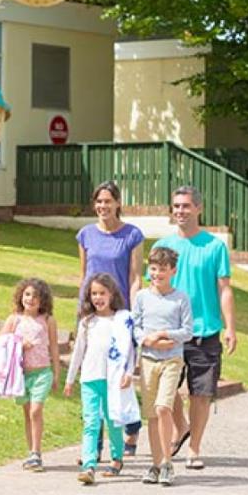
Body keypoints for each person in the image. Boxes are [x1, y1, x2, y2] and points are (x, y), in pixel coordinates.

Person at [153, 185, 237, 470]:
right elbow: (154, 289)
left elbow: (224, 289)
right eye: (176, 206)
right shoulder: (161, 247)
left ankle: (194, 447)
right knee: (164, 389)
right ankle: (181, 425)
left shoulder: (214, 247)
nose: (180, 211)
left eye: (186, 206)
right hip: (169, 333)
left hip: (205, 332)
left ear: (198, 209)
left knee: (200, 393)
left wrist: (230, 328)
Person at [76, 180, 145, 455]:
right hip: (92, 313)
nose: (103, 206)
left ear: (117, 203)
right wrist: (82, 313)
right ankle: (96, 443)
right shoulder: (85, 235)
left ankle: (131, 425)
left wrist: (133, 313)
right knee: (94, 376)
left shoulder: (132, 235)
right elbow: (83, 275)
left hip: (119, 315)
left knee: (119, 376)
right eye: (99, 202)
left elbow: (135, 276)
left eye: (108, 201)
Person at [65, 273, 135, 485]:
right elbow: (78, 352)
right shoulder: (87, 322)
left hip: (113, 380)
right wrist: (70, 380)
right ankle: (89, 465)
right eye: (94, 293)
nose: (98, 297)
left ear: (112, 294)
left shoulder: (122, 319)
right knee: (91, 422)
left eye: (102, 293)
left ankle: (117, 458)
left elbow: (131, 350)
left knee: (113, 420)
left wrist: (128, 373)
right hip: (90, 378)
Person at [131, 247, 193, 486]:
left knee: (163, 408)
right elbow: (135, 327)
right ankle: (156, 464)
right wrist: (147, 339)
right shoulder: (142, 297)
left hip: (172, 361)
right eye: (153, 268)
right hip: (148, 361)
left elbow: (187, 331)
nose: (157, 274)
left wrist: (166, 334)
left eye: (162, 270)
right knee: (151, 415)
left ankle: (168, 462)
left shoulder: (181, 298)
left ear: (173, 271)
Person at [0, 278, 60, 473]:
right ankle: (32, 453)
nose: (31, 299)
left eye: (36, 296)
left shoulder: (48, 321)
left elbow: (54, 348)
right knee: (27, 414)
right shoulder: (14, 319)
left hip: (42, 372)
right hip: (21, 374)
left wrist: (56, 373)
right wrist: (18, 343)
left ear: (43, 300)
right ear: (21, 296)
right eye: (27, 294)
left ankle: (37, 452)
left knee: (36, 411)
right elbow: (1, 343)